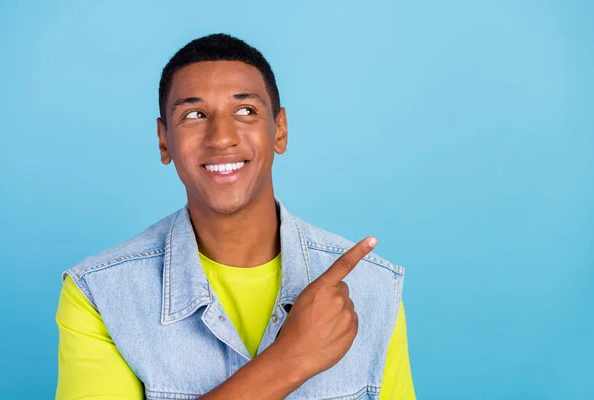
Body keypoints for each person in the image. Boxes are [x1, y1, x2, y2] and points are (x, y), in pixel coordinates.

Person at [55, 33, 416, 400]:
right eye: (194, 115)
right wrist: (291, 359)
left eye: (245, 111)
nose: (221, 137)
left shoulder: (373, 289)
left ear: (280, 130)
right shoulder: (101, 295)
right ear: (164, 140)